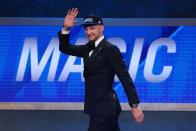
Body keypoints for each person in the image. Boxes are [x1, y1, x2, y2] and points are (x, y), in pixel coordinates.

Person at [58, 8, 144, 131]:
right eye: (86, 29)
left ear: (101, 28)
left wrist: (134, 105)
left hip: (105, 110)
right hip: (97, 109)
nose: (89, 32)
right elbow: (65, 48)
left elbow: (125, 78)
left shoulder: (110, 49)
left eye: (92, 28)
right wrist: (66, 28)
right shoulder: (87, 48)